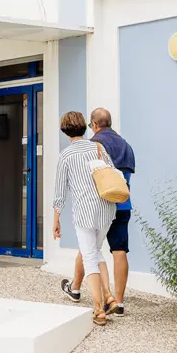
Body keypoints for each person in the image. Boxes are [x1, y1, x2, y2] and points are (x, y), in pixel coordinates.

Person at [61, 107, 135, 316]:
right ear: (110, 123)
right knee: (120, 250)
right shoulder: (126, 146)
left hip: (100, 205)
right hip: (122, 204)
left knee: (88, 249)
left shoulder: (95, 146)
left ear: (93, 125)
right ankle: (118, 302)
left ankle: (75, 288)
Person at [52, 111, 116, 326]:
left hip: (84, 212)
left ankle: (99, 310)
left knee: (89, 257)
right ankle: (108, 296)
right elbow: (112, 172)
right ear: (85, 127)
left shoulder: (66, 155)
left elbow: (60, 192)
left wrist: (56, 220)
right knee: (96, 252)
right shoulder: (98, 147)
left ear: (65, 131)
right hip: (107, 208)